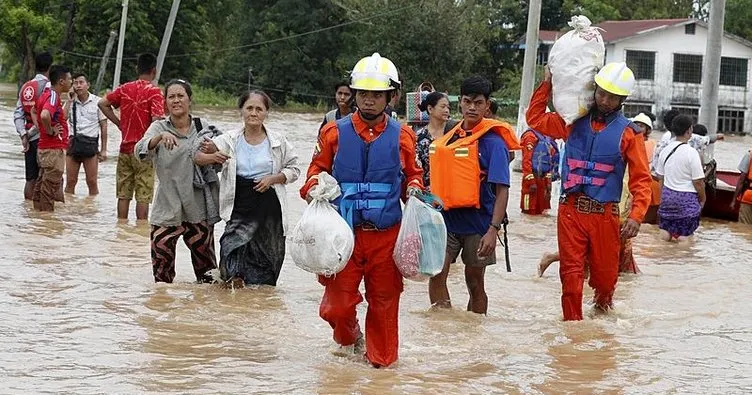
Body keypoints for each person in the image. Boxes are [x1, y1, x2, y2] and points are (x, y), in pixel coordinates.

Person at [299, 53, 423, 368]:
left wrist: (416, 192)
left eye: (376, 94)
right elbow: (314, 172)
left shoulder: (404, 135)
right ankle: (350, 336)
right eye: (363, 93)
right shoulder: (333, 132)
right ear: (354, 94)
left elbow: (415, 176)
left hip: (386, 237)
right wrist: (315, 185)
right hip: (342, 236)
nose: (369, 101)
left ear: (391, 96)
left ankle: (381, 370)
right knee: (336, 308)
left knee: (384, 304)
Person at [526, 63, 652, 321]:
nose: (604, 100)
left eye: (612, 96)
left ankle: (601, 316)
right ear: (594, 90)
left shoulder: (630, 133)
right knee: (571, 278)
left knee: (605, 280)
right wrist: (547, 83)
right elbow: (535, 118)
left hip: (605, 215)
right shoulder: (571, 123)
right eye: (601, 93)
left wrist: (636, 216)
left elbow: (641, 180)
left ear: (622, 100)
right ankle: (572, 332)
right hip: (570, 211)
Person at [427, 76, 520, 315]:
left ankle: (474, 332)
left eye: (478, 103)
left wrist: (493, 230)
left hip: (479, 224)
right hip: (447, 220)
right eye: (467, 101)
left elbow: (502, 190)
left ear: (487, 105)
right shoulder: (451, 135)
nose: (472, 107)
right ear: (460, 103)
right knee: (436, 274)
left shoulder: (494, 143)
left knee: (474, 282)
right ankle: (444, 330)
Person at [199, 90, 300, 287]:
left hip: (269, 208)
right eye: (249, 108)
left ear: (266, 113)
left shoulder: (278, 141)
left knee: (267, 261)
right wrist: (212, 154)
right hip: (240, 204)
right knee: (230, 250)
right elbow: (200, 157)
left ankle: (259, 305)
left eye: (259, 109)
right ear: (242, 111)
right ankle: (233, 300)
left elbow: (294, 169)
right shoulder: (229, 139)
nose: (254, 113)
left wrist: (273, 179)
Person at [134, 79, 218, 283]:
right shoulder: (159, 127)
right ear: (165, 102)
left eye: (181, 96)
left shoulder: (202, 126)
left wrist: (214, 151)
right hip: (166, 209)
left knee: (208, 277)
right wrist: (159, 138)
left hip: (198, 210)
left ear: (190, 100)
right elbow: (139, 151)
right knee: (162, 281)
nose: (176, 100)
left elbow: (224, 153)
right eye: (171, 96)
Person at [99, 53, 164, 220]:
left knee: (123, 194)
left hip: (125, 149)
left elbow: (102, 103)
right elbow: (157, 120)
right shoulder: (155, 92)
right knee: (143, 195)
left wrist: (119, 123)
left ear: (137, 68)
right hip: (144, 150)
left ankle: (121, 229)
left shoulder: (124, 89)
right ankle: (140, 231)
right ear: (154, 71)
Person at [654, 115, 706, 241]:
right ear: (689, 131)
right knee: (685, 237)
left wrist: (663, 199)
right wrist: (703, 199)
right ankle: (682, 260)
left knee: (664, 233)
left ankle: (661, 259)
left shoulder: (664, 150)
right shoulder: (692, 153)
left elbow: (660, 178)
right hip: (686, 200)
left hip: (667, 197)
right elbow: (698, 182)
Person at [13, 52, 53, 200]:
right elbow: (44, 115)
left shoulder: (25, 87)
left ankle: (28, 213)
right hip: (44, 139)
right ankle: (45, 217)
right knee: (51, 179)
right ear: (50, 67)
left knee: (30, 179)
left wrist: (24, 134)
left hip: (29, 141)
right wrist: (30, 133)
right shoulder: (48, 87)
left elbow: (18, 114)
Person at [33, 65, 73, 211]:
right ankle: (47, 223)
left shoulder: (45, 94)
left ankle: (38, 219)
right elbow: (44, 115)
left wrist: (43, 129)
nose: (71, 83)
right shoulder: (54, 96)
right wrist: (50, 130)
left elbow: (34, 111)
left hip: (44, 147)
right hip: (53, 149)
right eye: (70, 79)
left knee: (41, 185)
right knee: (49, 189)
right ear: (61, 81)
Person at [64, 73, 108, 195]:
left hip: (90, 145)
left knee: (92, 182)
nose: (78, 86)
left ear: (88, 85)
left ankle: (92, 210)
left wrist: (104, 150)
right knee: (70, 182)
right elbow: (62, 119)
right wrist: (69, 101)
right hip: (73, 144)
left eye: (81, 82)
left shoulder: (98, 102)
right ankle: (67, 210)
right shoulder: (70, 101)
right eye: (75, 83)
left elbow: (104, 126)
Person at [414, 91, 451, 189]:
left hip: (453, 190)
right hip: (429, 194)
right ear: (430, 109)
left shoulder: (454, 133)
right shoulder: (419, 137)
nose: (447, 110)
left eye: (448, 107)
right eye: (443, 107)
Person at [520, 128, 558, 215]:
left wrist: (548, 182)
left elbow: (550, 161)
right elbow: (526, 161)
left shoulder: (547, 139)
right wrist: (531, 181)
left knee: (542, 210)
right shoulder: (530, 136)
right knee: (529, 210)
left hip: (543, 180)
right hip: (532, 178)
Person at [633, 113, 660, 224]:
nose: (638, 128)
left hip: (650, 183)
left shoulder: (652, 144)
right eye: (636, 125)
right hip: (635, 182)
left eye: (641, 126)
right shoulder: (629, 141)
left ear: (647, 129)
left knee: (647, 220)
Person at [731, 148, 752, 224]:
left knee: (744, 226)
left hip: (749, 196)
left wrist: (733, 200)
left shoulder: (749, 155)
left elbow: (741, 181)